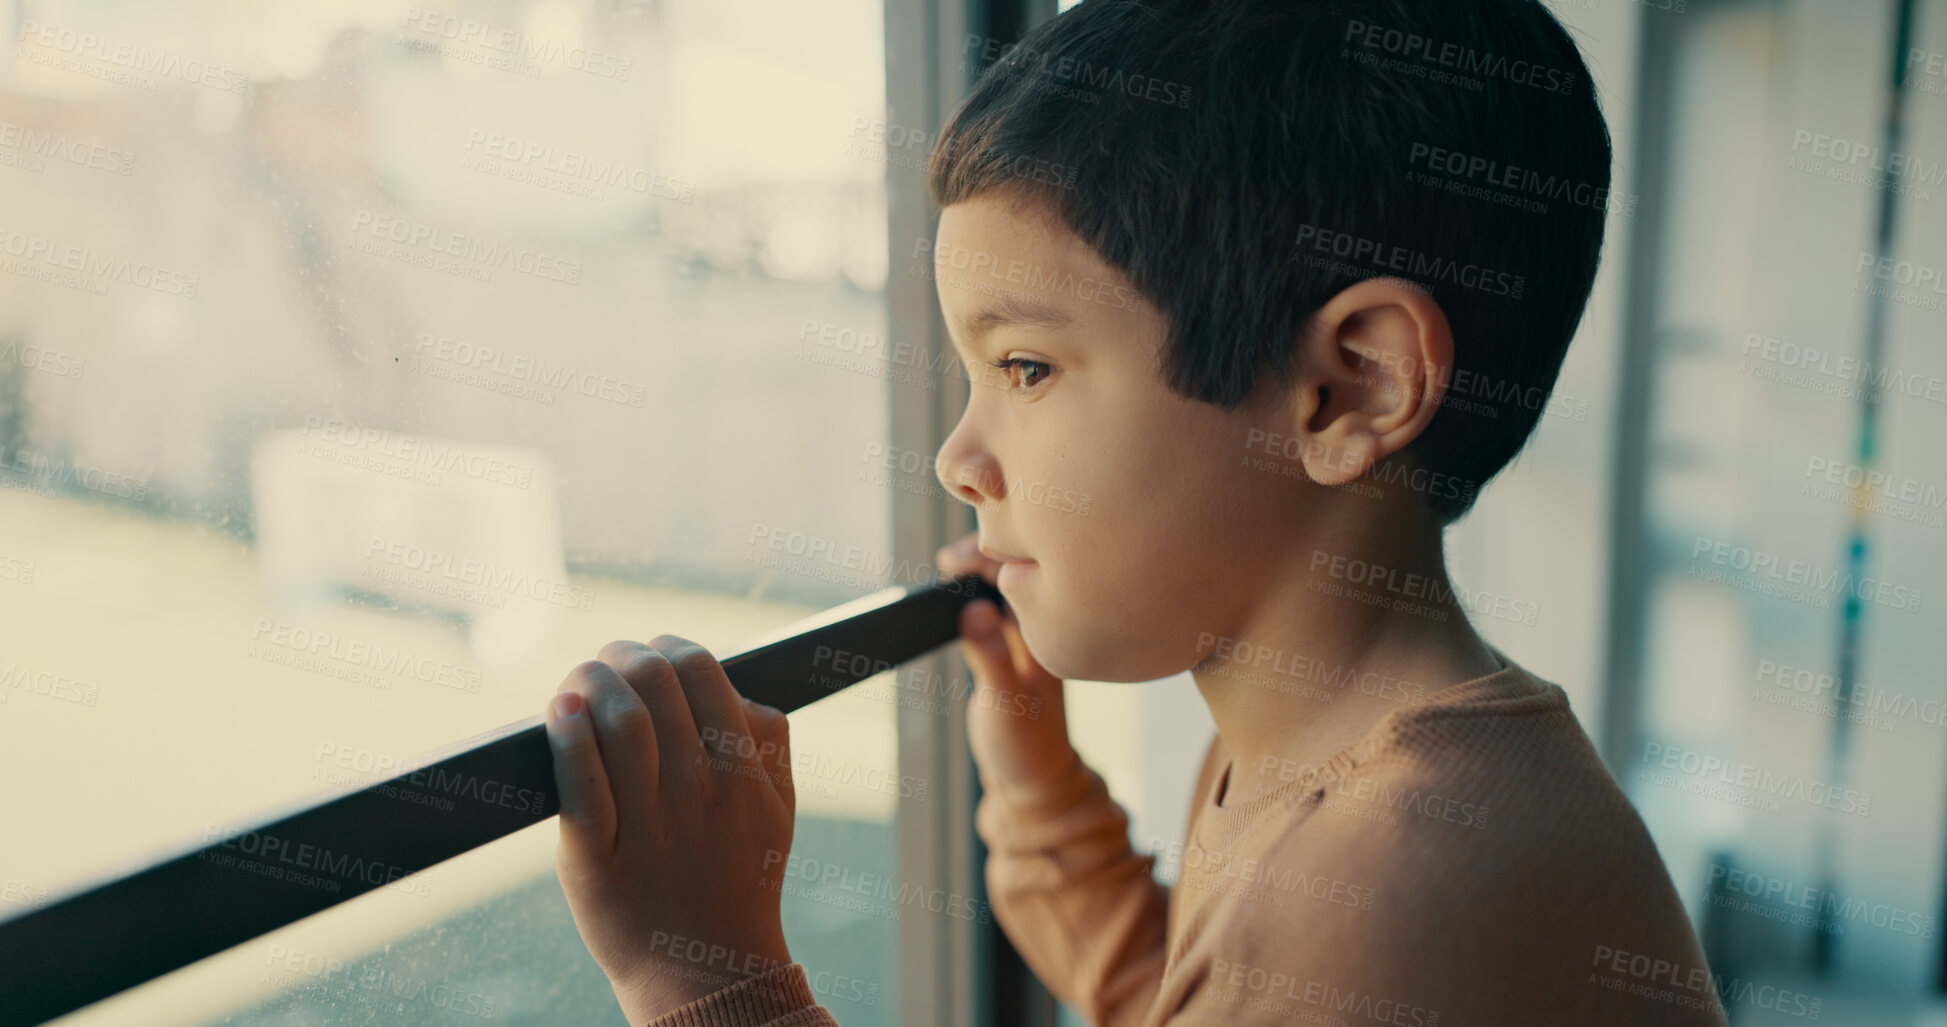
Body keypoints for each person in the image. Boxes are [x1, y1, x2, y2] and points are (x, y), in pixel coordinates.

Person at [541, 0, 1727, 1023]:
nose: (959, 458)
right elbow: (1172, 996)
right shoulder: (1328, 756)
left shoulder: (1405, 879)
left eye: (1026, 369)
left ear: (1350, 386)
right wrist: (1039, 783)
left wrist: (701, 970)